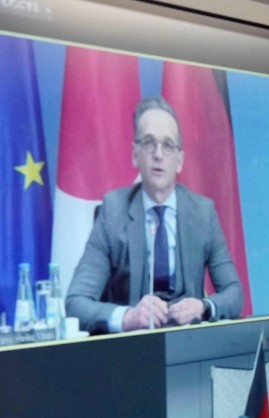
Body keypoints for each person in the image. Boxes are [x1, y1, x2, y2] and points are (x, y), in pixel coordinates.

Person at [66, 96, 243, 334]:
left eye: (168, 145)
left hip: (188, 342)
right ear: (135, 154)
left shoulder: (203, 213)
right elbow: (76, 303)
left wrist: (203, 307)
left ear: (179, 160)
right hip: (131, 348)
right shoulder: (113, 211)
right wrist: (129, 317)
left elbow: (234, 293)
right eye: (149, 143)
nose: (158, 154)